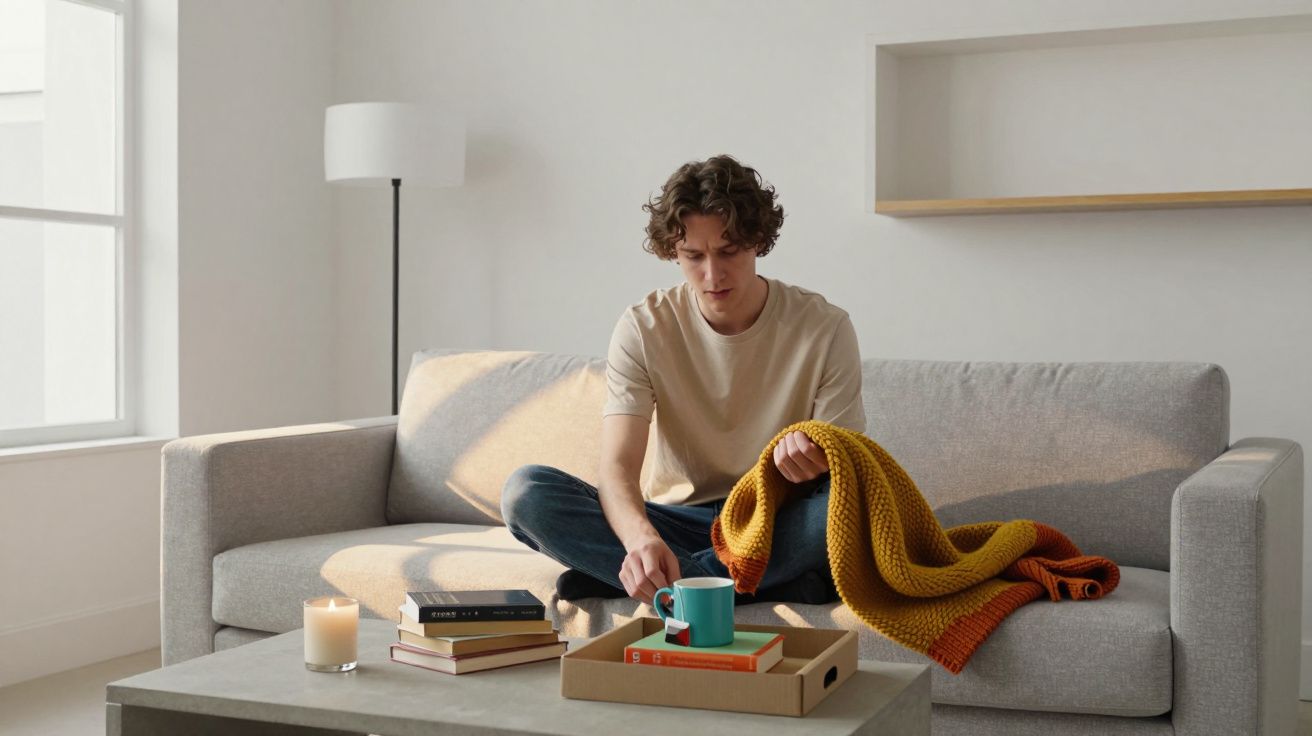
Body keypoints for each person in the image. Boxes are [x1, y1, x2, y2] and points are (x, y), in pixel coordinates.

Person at [501, 154, 865, 606]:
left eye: (729, 251)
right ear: (673, 252)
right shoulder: (643, 328)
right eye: (693, 256)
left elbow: (848, 474)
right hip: (675, 519)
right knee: (527, 493)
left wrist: (814, 457)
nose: (713, 275)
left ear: (757, 242)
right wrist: (639, 542)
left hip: (772, 521)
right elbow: (616, 469)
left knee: (842, 512)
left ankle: (659, 584)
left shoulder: (825, 328)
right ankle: (755, 585)